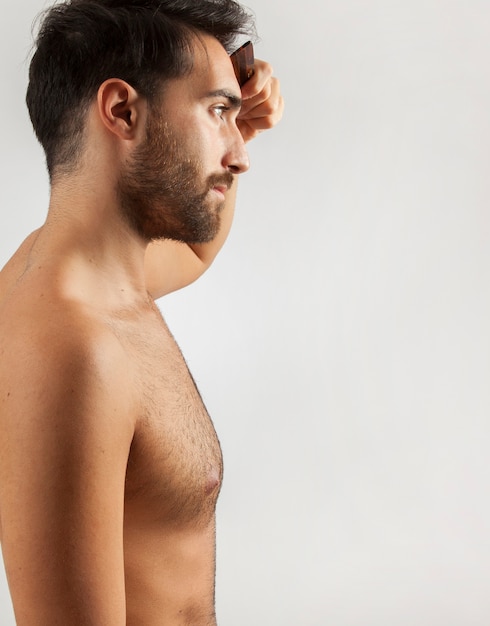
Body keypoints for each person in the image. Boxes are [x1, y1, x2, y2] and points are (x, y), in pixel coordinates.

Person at [0, 0, 283, 623]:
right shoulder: (74, 353)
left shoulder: (83, 271)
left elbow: (195, 249)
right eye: (215, 112)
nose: (239, 156)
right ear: (123, 111)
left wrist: (239, 126)